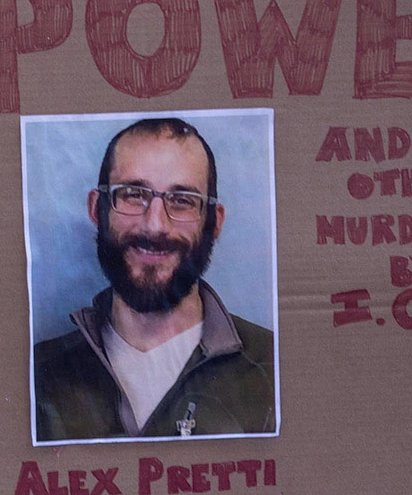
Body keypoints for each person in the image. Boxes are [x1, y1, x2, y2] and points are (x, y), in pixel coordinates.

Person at [33, 118, 274, 442]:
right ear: (97, 209)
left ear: (214, 222)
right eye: (133, 195)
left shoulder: (275, 368)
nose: (155, 225)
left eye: (182, 200)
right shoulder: (37, 374)